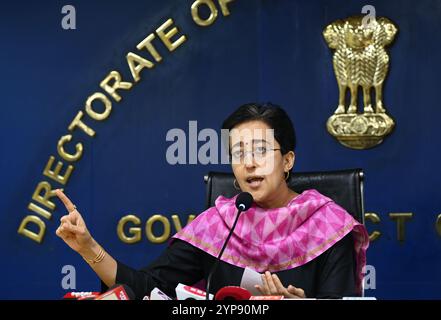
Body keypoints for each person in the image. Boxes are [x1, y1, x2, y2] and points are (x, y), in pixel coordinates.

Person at [55, 102, 369, 300]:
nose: (249, 163)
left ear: (287, 160)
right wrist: (88, 247)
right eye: (238, 154)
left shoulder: (328, 225)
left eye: (260, 151)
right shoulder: (220, 224)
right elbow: (147, 288)